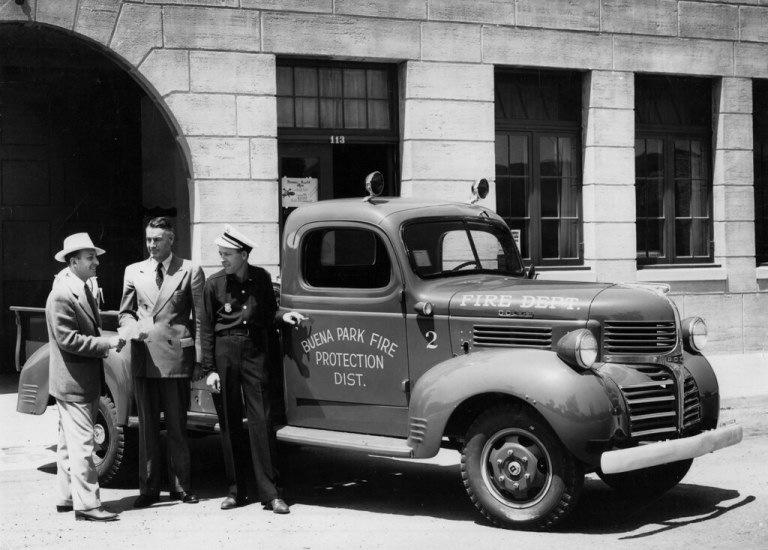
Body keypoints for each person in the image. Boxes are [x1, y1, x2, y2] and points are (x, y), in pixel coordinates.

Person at [201, 225, 305, 514]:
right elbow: (206, 328)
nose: (222, 259)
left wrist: (284, 316)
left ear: (243, 255)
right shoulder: (213, 284)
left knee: (262, 422)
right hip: (225, 353)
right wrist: (210, 369)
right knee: (230, 423)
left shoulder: (261, 278)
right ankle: (236, 492)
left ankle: (272, 494)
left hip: (255, 352)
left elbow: (269, 312)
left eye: (227, 254)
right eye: (221, 253)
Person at [118, 217, 205, 507]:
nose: (151, 245)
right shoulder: (134, 271)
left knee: (178, 426)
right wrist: (132, 327)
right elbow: (125, 312)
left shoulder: (189, 269)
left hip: (176, 358)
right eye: (148, 239)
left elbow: (200, 318)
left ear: (171, 239)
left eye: (157, 239)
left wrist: (199, 359)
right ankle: (148, 488)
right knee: (147, 428)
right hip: (145, 356)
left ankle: (182, 487)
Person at [46, 232, 124, 522]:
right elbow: (69, 340)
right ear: (73, 261)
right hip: (74, 383)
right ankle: (88, 505)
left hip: (77, 381)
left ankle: (67, 497)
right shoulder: (62, 294)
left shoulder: (78, 288)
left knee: (69, 443)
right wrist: (107, 343)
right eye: (90, 258)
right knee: (82, 445)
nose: (96, 263)